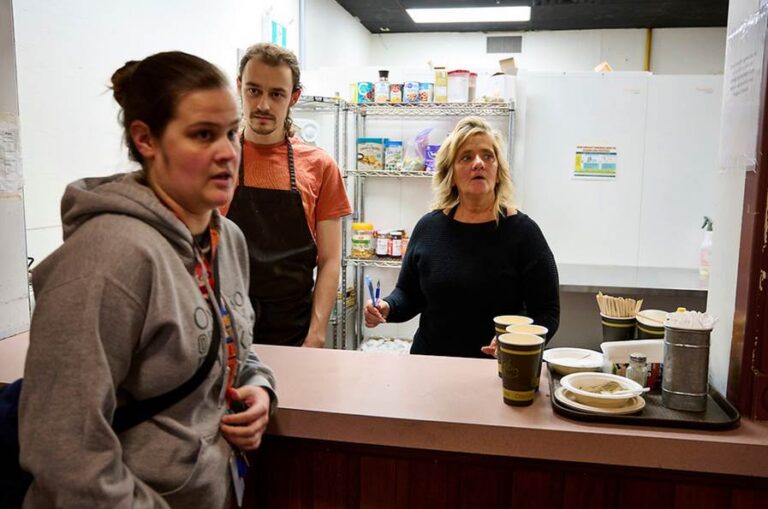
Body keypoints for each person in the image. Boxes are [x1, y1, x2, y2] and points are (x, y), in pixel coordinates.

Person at [18, 51, 276, 508]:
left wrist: (258, 387)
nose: (228, 152)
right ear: (146, 139)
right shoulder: (106, 258)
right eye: (202, 134)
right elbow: (63, 453)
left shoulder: (226, 239)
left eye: (231, 132)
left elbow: (234, 346)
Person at [364, 116, 560, 358]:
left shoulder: (524, 233)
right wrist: (386, 307)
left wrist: (517, 341)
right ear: (451, 174)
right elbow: (409, 294)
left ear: (498, 171)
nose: (478, 163)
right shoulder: (429, 228)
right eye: (466, 157)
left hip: (496, 369)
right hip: (430, 365)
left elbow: (547, 312)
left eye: (488, 156)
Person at [224, 43, 352, 348]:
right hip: (227, 326)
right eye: (254, 91)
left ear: (294, 96)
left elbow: (331, 259)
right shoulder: (218, 159)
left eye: (276, 94)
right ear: (239, 87)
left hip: (293, 330)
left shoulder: (320, 165)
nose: (264, 105)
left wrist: (317, 333)